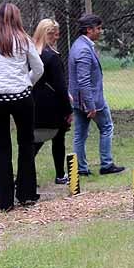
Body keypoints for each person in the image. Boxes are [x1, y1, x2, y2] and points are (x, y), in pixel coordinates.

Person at [0, 2, 44, 212]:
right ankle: (27, 193)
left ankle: (4, 201)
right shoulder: (24, 41)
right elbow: (38, 68)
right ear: (17, 19)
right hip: (22, 98)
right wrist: (26, 82)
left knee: (1, 148)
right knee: (26, 143)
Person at [69, 13, 125, 176]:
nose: (101, 31)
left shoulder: (78, 45)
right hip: (90, 100)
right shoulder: (84, 50)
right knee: (107, 127)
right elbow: (83, 80)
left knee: (80, 134)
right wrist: (91, 105)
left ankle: (81, 168)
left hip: (79, 101)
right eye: (98, 28)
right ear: (89, 30)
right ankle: (106, 164)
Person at [30, 18, 73, 185]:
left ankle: (24, 175)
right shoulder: (53, 57)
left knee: (34, 140)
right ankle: (60, 174)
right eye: (54, 35)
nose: (56, 37)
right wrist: (68, 110)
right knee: (56, 138)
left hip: (33, 103)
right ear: (47, 34)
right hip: (52, 106)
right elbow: (60, 86)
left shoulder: (32, 54)